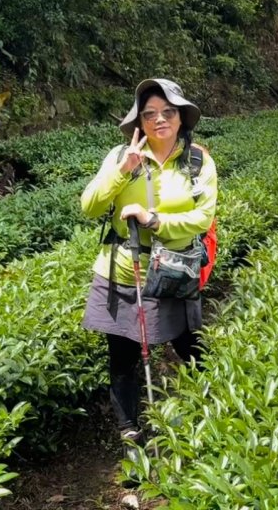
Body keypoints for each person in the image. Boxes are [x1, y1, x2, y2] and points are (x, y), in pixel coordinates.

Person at [81, 78, 217, 447]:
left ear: (181, 118)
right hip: (124, 270)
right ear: (139, 121)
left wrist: (155, 220)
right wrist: (123, 170)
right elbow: (89, 205)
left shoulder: (198, 161)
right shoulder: (118, 157)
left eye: (168, 112)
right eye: (150, 114)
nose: (160, 120)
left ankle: (211, 411)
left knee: (190, 346)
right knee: (123, 355)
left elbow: (202, 218)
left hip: (175, 269)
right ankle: (129, 428)